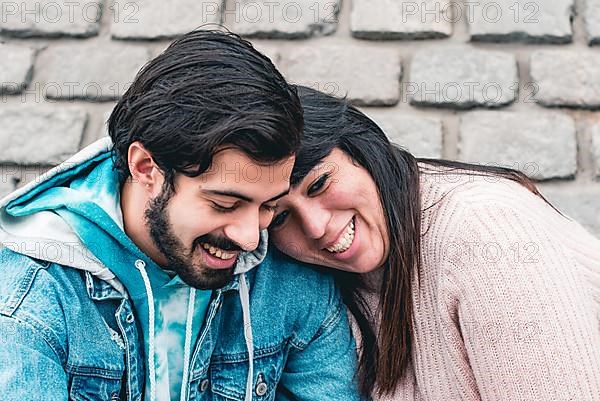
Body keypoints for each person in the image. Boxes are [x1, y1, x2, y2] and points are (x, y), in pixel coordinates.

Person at [0, 33, 363, 401]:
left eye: (269, 206)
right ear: (146, 168)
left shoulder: (291, 285)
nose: (250, 237)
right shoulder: (30, 301)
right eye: (225, 204)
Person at [268, 86, 600, 401]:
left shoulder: (487, 231)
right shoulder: (314, 287)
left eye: (320, 184)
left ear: (361, 147)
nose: (315, 227)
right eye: (280, 217)